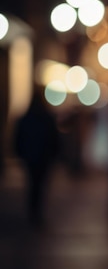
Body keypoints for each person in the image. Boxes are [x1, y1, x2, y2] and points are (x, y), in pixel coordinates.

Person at [14, 87, 60, 228]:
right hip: (43, 158)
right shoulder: (47, 117)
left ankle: (33, 212)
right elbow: (54, 138)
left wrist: (20, 153)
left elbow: (18, 138)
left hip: (31, 158)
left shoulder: (26, 118)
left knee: (32, 185)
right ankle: (37, 213)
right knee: (40, 186)